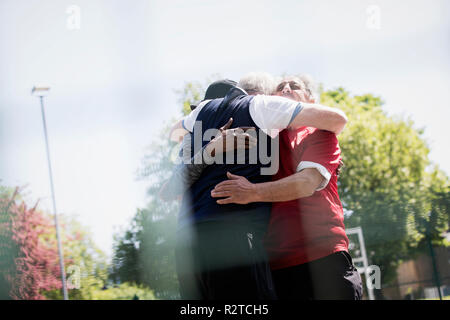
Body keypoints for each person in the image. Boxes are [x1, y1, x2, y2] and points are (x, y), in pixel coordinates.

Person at [162, 73, 348, 300]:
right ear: (265, 96)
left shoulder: (197, 119)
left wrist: (210, 149)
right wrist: (214, 148)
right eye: (281, 90)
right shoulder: (259, 107)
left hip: (188, 246)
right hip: (236, 240)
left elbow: (173, 141)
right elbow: (338, 118)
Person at [211, 75, 363, 300]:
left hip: (324, 256)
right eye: (280, 87)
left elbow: (306, 183)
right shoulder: (261, 139)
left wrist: (252, 192)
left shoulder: (321, 133)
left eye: (295, 86)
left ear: (310, 101)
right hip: (276, 265)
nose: (286, 88)